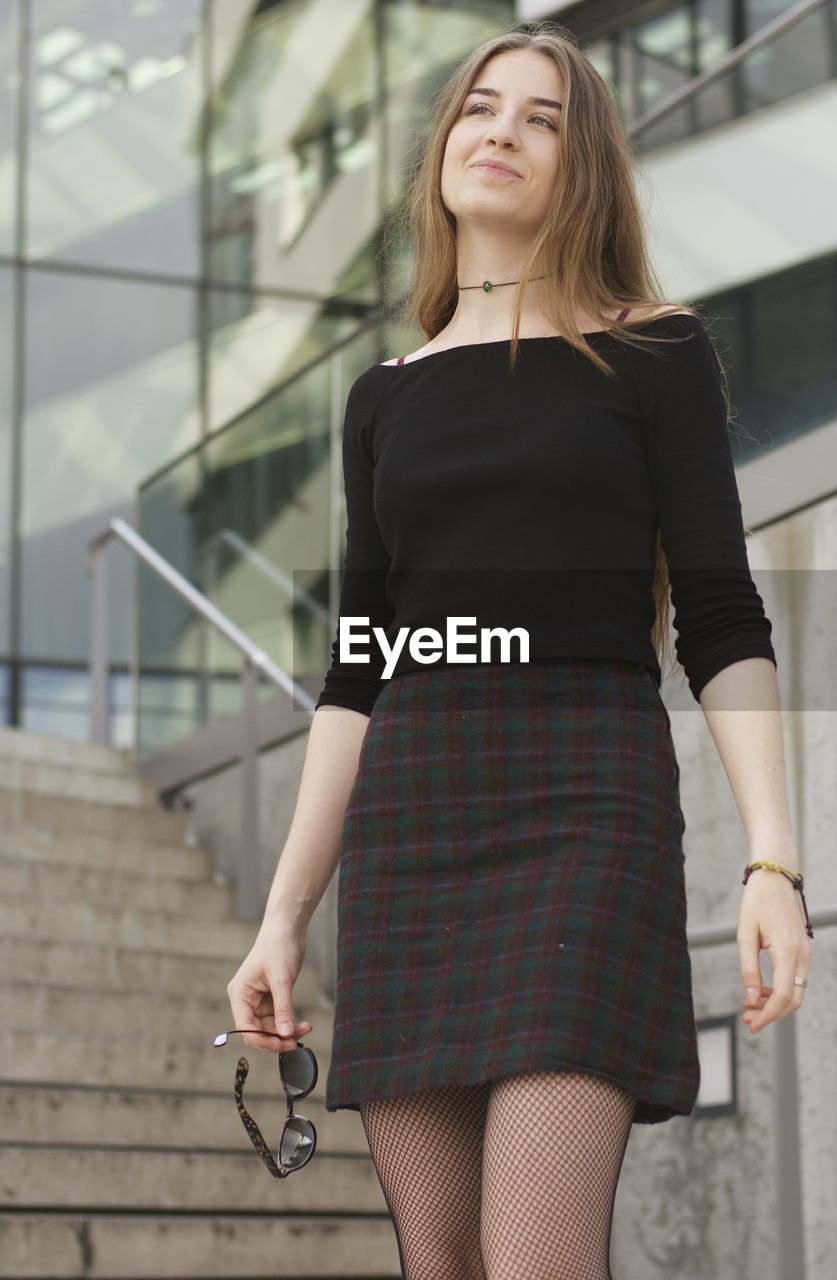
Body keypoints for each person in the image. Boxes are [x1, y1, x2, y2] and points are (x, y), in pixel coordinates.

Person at [226, 18, 813, 1279]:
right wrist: (283, 916)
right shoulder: (384, 393)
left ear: (580, 166)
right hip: (411, 836)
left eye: (542, 116)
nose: (501, 129)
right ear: (445, 145)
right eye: (482, 106)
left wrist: (774, 859)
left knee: (535, 1259)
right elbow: (357, 669)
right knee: (441, 1264)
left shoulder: (655, 350)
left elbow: (720, 614)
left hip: (583, 810)